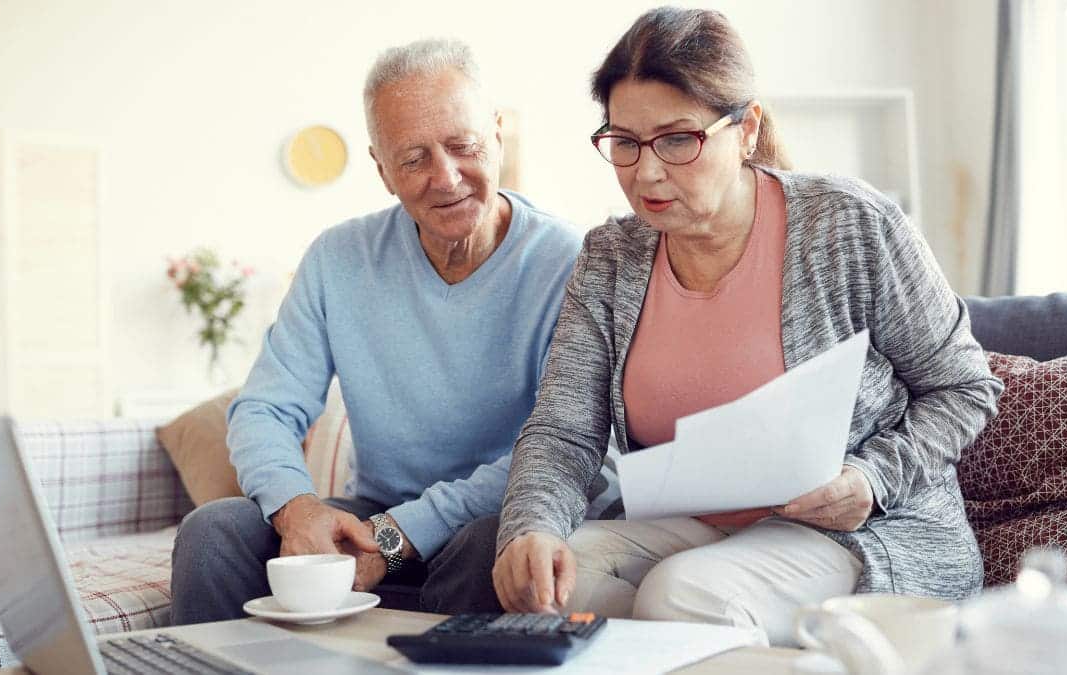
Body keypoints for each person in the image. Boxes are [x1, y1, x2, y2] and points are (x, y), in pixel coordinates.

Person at [492, 7, 1003, 646]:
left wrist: (872, 480)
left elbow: (964, 388)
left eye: (678, 140)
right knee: (560, 582)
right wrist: (531, 528)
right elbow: (563, 430)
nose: (646, 172)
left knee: (680, 596)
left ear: (747, 129)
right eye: (624, 142)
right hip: (696, 524)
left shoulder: (848, 223)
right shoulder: (610, 258)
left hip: (858, 529)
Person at [170, 38, 582, 624]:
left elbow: (573, 449)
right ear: (382, 169)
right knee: (213, 531)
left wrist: (398, 536)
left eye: (462, 146)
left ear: (495, 134)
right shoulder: (338, 259)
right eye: (413, 159)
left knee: (492, 544)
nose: (445, 178)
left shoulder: (570, 263)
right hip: (371, 517)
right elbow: (263, 408)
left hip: (491, 517)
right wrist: (297, 509)